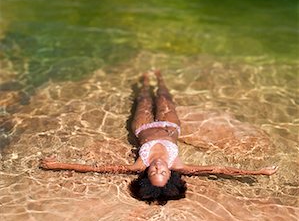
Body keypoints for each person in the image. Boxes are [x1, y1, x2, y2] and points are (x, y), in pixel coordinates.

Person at [40, 71, 277, 204]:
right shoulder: (179, 165)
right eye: (162, 173)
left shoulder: (138, 165)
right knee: (164, 97)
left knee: (143, 99)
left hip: (143, 128)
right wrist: (260, 172)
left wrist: (56, 165)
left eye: (154, 173)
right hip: (170, 125)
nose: (158, 168)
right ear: (171, 175)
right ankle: (161, 79)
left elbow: (96, 168)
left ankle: (144, 81)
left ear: (146, 174)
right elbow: (220, 169)